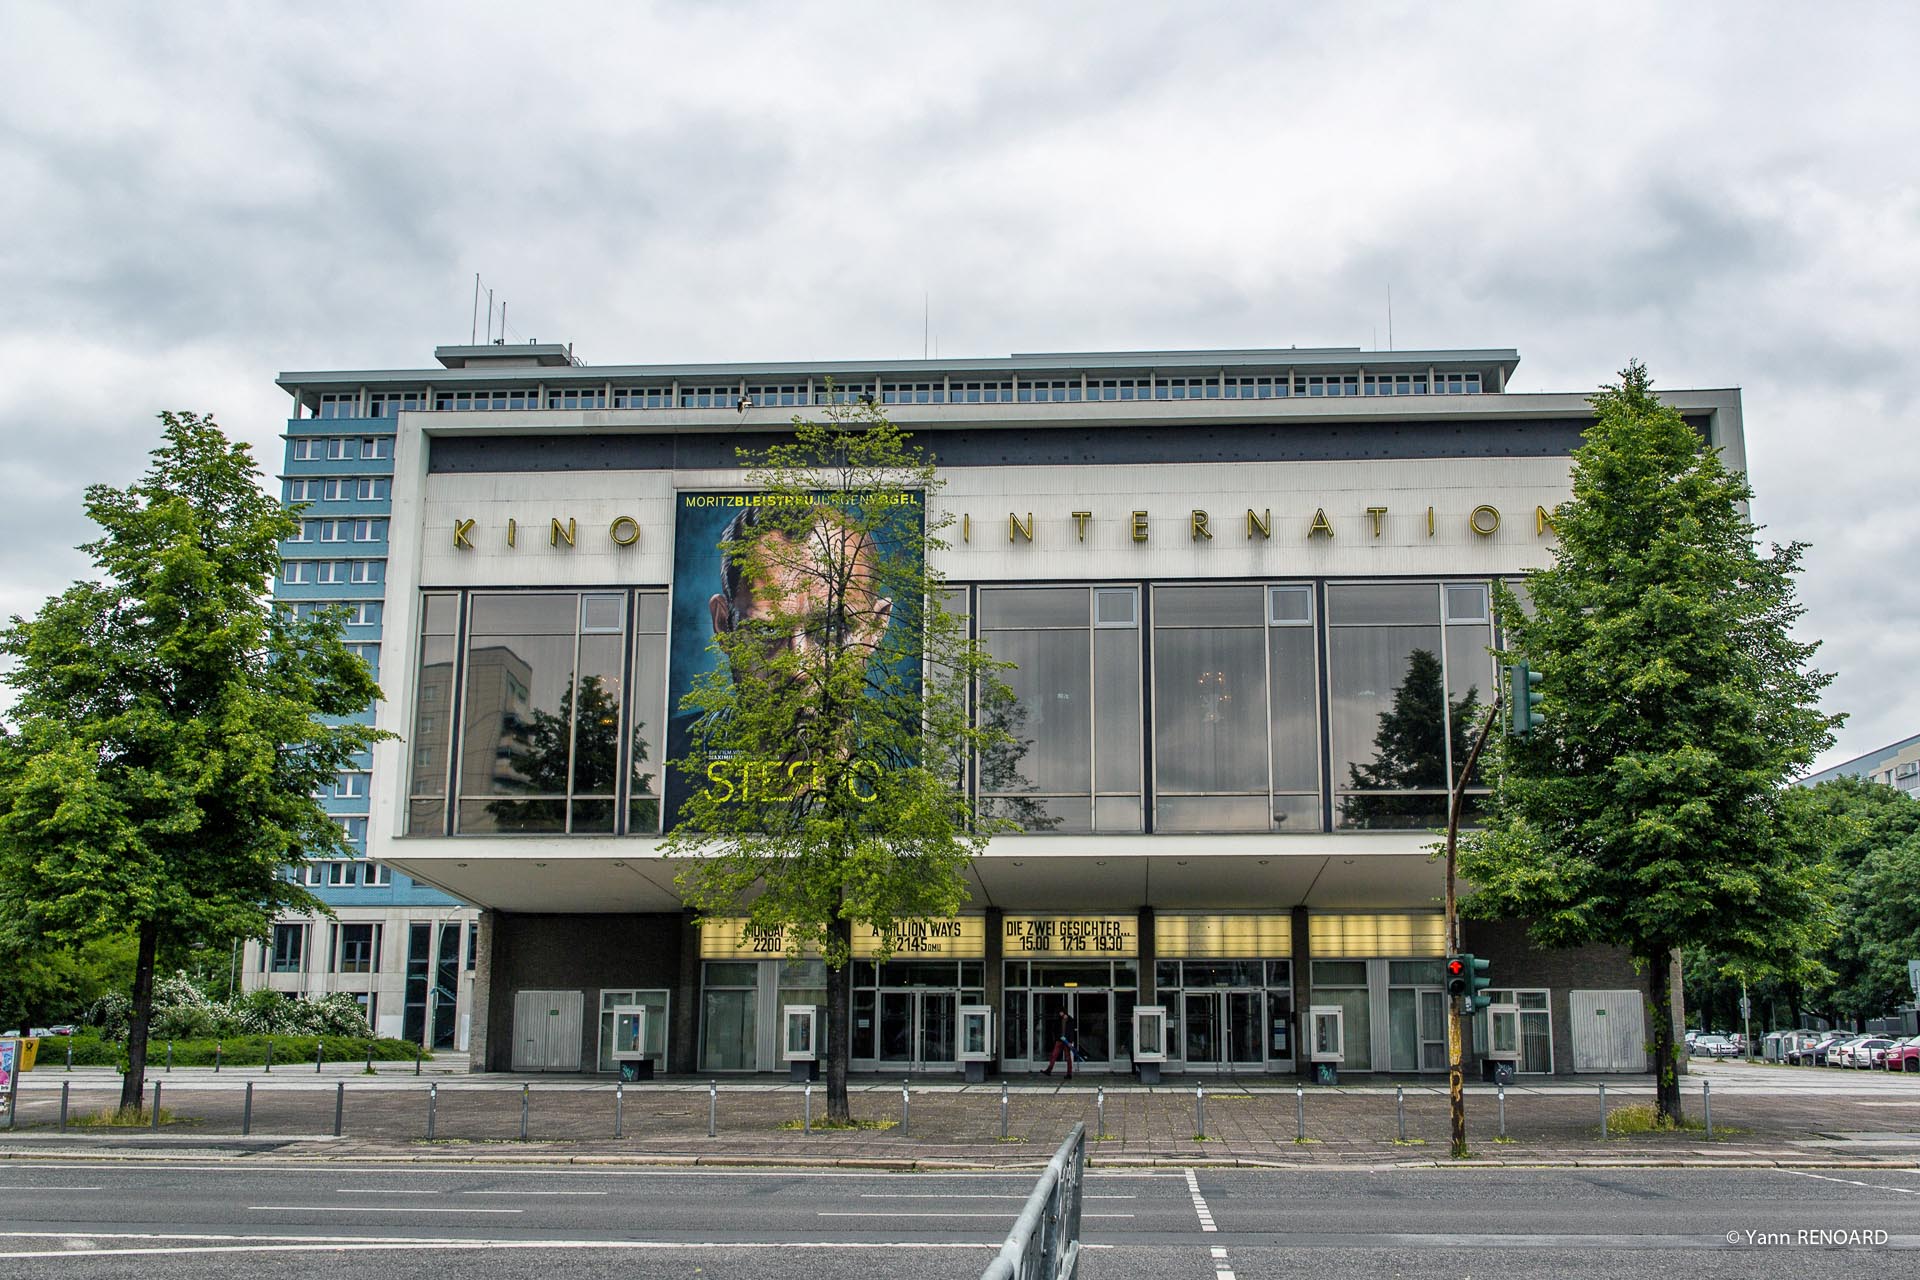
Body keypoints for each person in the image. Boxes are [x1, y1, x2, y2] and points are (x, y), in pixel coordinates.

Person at [1043, 1008, 1077, 1078]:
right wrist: (1057, 1037)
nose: (1060, 1014)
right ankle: (1049, 1070)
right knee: (1054, 1055)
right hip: (1059, 1040)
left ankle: (1069, 1073)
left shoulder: (1070, 1020)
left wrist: (1070, 1041)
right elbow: (1056, 1030)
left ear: (1064, 1012)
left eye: (1061, 1012)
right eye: (1059, 1012)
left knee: (1068, 1057)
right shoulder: (1059, 1020)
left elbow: (1072, 1032)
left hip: (1067, 1041)